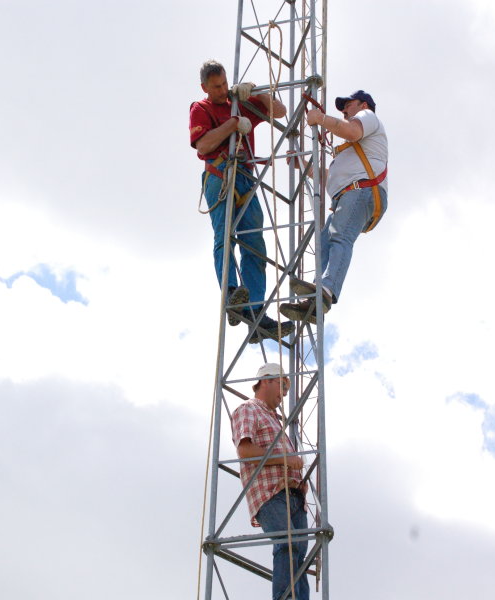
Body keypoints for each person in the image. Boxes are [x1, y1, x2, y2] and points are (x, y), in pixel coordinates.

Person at [190, 60, 294, 343]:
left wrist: (257, 93)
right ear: (204, 87)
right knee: (225, 236)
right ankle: (232, 294)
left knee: (255, 243)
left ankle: (255, 312)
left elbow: (280, 112)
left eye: (224, 83)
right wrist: (234, 124)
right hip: (220, 174)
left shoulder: (238, 101)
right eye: (216, 87)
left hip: (245, 179)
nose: (222, 90)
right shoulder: (201, 108)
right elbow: (204, 145)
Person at [280, 90, 388, 324]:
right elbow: (331, 176)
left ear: (363, 105)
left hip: (361, 190)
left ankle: (326, 290)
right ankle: (316, 297)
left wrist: (321, 119)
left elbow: (351, 131)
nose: (345, 111)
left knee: (339, 237)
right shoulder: (355, 148)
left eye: (349, 105)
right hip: (351, 192)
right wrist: (303, 165)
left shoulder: (367, 117)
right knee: (324, 242)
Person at [231, 363, 309, 600]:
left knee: (298, 556)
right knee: (287, 545)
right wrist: (286, 459)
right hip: (270, 493)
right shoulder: (248, 409)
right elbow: (245, 451)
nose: (284, 394)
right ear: (267, 380)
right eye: (282, 385)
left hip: (292, 494)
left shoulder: (274, 419)